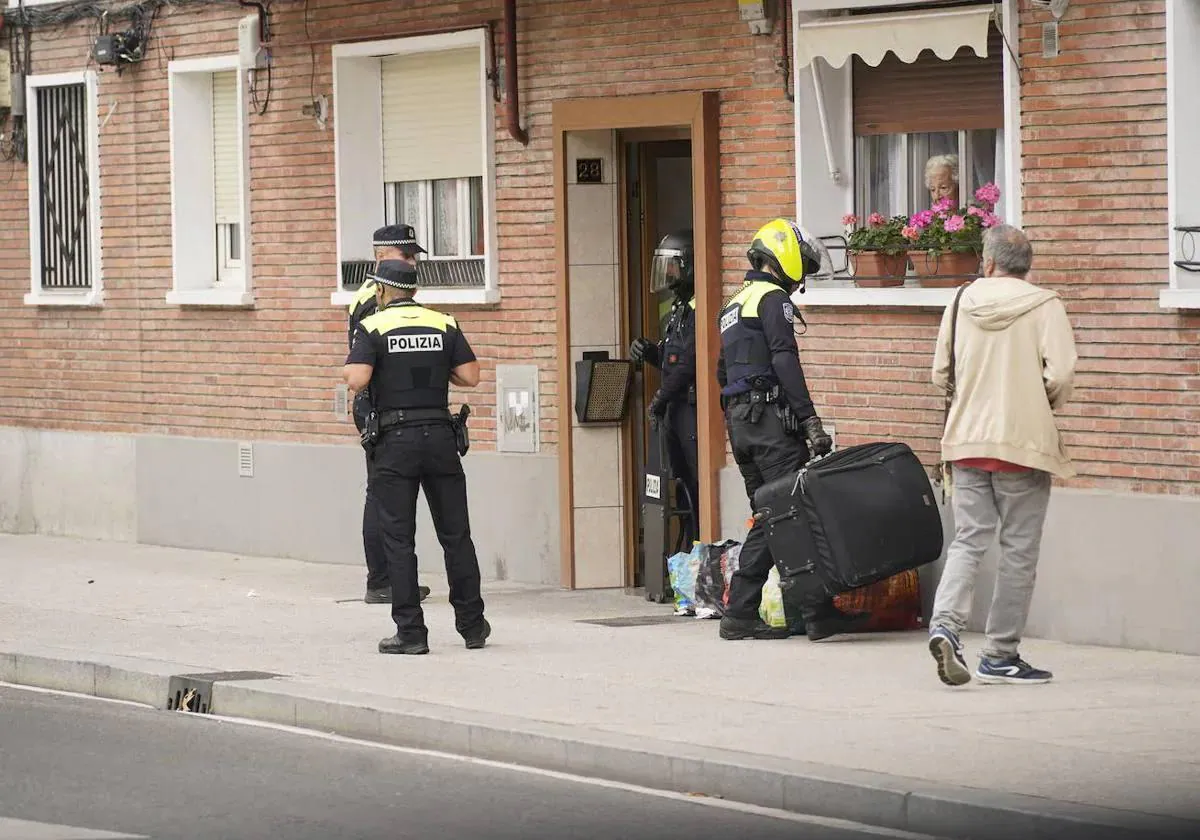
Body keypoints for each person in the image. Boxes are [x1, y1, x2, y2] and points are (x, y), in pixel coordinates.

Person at [927, 224, 1077, 686]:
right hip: (1023, 445)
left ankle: (946, 628)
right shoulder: (1045, 305)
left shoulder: (959, 301)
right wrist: (1039, 402)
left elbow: (940, 373)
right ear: (1026, 267)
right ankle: (1001, 655)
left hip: (967, 441)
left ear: (987, 263)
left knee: (969, 540)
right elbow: (1063, 372)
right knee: (1018, 551)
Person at [716, 218, 871, 642]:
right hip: (769, 426)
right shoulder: (771, 300)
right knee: (781, 513)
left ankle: (815, 612)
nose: (800, 274)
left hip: (742, 425)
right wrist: (810, 420)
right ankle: (742, 612)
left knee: (781, 516)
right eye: (800, 264)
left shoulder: (733, 303)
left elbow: (721, 372)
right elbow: (784, 360)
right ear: (782, 257)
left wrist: (737, 421)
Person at [343, 260, 489, 655]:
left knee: (398, 539)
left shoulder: (372, 327)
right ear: (413, 291)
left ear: (381, 291)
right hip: (441, 436)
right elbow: (471, 376)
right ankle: (473, 626)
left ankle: (411, 633)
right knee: (456, 536)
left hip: (396, 442)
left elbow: (356, 379)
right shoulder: (444, 323)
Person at [348, 224, 430, 606]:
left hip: (384, 404)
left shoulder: (378, 293)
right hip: (378, 405)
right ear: (382, 256)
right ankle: (381, 579)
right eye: (406, 255)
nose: (412, 262)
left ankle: (387, 578)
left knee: (382, 493)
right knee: (380, 494)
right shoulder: (374, 298)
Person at [630, 230, 699, 543]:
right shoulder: (678, 308)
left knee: (695, 488)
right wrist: (650, 353)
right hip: (673, 408)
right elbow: (673, 361)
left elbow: (688, 366)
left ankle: (697, 549)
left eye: (673, 266)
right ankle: (684, 550)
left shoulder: (699, 307)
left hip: (689, 409)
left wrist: (660, 397)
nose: (669, 274)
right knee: (679, 485)